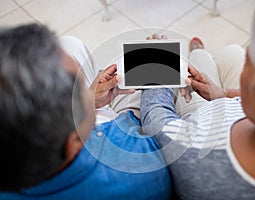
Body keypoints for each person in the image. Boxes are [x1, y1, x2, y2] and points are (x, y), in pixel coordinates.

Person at [140, 0, 255, 199]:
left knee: (206, 60)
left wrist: (156, 65)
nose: (245, 70)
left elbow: (155, 118)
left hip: (202, 120)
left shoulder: (195, 151)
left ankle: (199, 54)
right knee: (233, 53)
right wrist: (223, 94)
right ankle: (201, 54)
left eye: (249, 63)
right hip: (228, 103)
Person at [0, 24, 172, 199]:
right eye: (82, 87)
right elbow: (156, 119)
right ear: (74, 142)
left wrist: (88, 100)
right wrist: (160, 70)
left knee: (70, 44)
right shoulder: (143, 165)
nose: (90, 88)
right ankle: (198, 53)